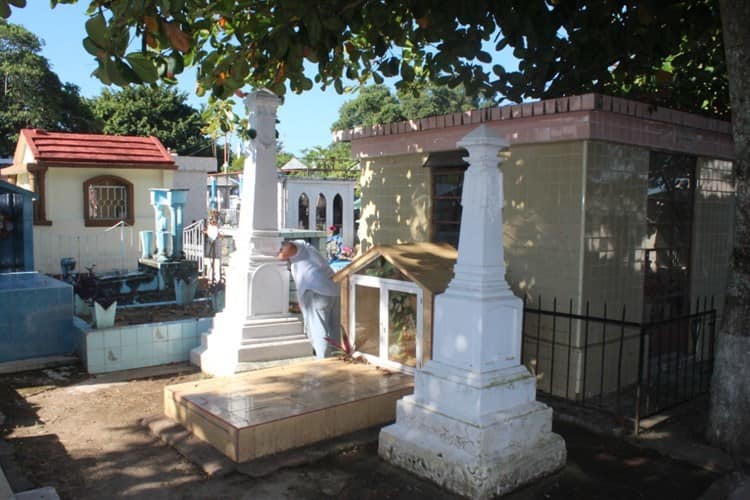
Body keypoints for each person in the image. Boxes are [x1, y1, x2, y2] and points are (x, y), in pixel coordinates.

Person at [277, 240, 341, 358]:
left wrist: (273, 254)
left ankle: (324, 365)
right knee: (334, 332)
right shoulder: (310, 252)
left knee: (319, 332)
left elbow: (286, 251)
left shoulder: (299, 245)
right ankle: (337, 362)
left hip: (316, 292)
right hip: (333, 290)